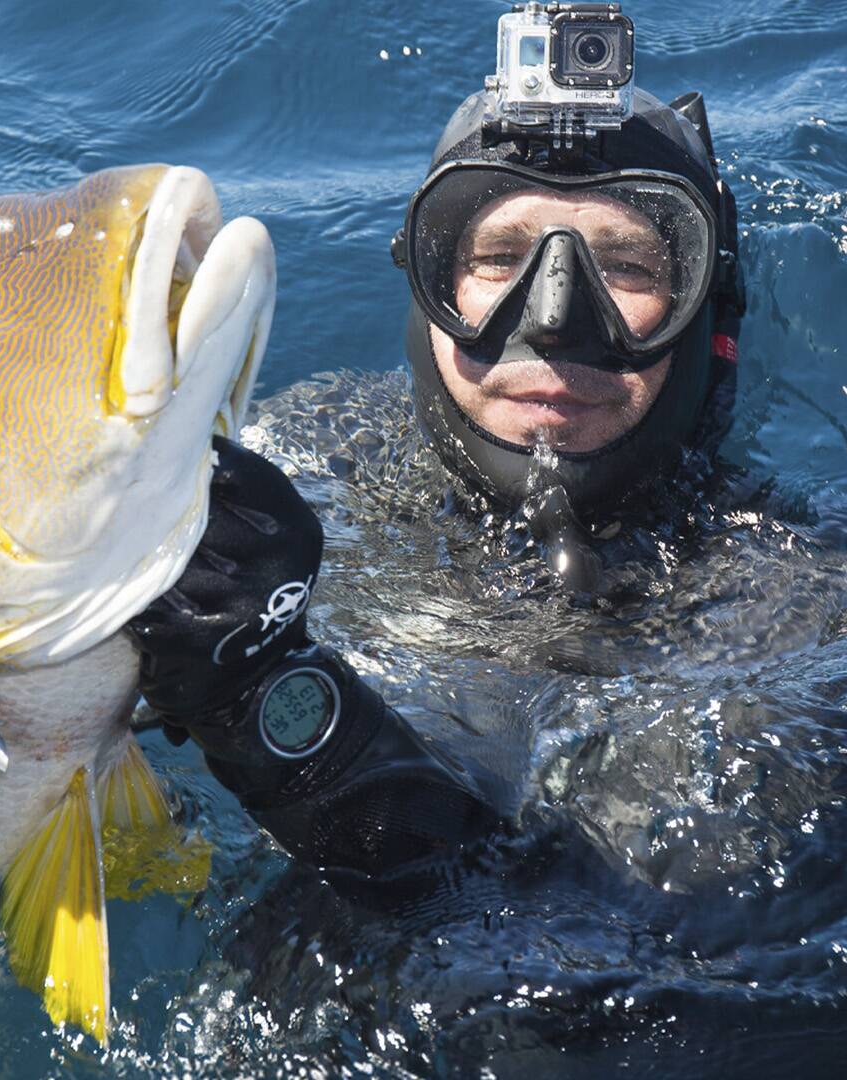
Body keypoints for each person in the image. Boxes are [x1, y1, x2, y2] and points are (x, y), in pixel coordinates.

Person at [126, 26, 752, 882]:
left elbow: (596, 959)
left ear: (704, 314)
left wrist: (256, 701)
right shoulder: (307, 459)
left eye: (630, 268)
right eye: (499, 258)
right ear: (427, 287)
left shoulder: (782, 601)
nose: (555, 317)